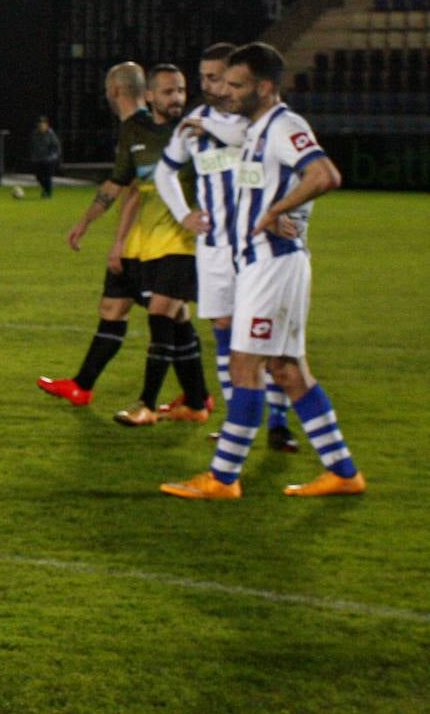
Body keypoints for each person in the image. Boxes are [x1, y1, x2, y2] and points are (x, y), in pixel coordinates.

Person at [161, 42, 364, 499]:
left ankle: (222, 478)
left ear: (265, 87)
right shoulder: (255, 129)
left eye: (237, 85)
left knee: (244, 363)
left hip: (272, 262)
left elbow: (324, 174)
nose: (227, 92)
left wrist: (277, 211)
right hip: (261, 262)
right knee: (288, 371)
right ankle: (344, 472)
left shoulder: (282, 125)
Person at [154, 43, 298, 450]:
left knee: (266, 338)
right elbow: (166, 171)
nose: (210, 86)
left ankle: (278, 424)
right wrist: (184, 214)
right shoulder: (195, 121)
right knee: (223, 330)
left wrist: (211, 129)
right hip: (215, 247)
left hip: (259, 245)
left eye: (216, 77)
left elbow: (244, 137)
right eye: (204, 78)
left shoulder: (254, 121)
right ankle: (239, 422)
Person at [102, 65, 212, 427]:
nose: (177, 98)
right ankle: (196, 401)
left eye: (180, 90)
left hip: (187, 243)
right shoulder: (149, 134)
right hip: (151, 241)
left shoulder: (199, 133)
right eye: (168, 91)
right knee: (177, 318)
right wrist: (118, 239)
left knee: (161, 314)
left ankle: (146, 404)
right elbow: (133, 185)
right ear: (150, 97)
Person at [36, 62, 151, 405]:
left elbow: (133, 191)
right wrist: (85, 223)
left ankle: (197, 397)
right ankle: (82, 386)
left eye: (107, 88)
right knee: (113, 309)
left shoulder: (139, 130)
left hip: (150, 240)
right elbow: (116, 184)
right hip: (143, 238)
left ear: (115, 91)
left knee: (170, 316)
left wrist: (119, 242)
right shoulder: (141, 127)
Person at [29, 117, 60, 199]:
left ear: (46, 125)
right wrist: (33, 156)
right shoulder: (35, 134)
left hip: (49, 160)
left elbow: (56, 147)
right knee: (38, 177)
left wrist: (53, 157)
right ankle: (45, 189)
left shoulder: (51, 134)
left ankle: (48, 193)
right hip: (38, 159)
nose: (41, 126)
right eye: (40, 124)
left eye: (43, 124)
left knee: (47, 176)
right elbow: (33, 146)